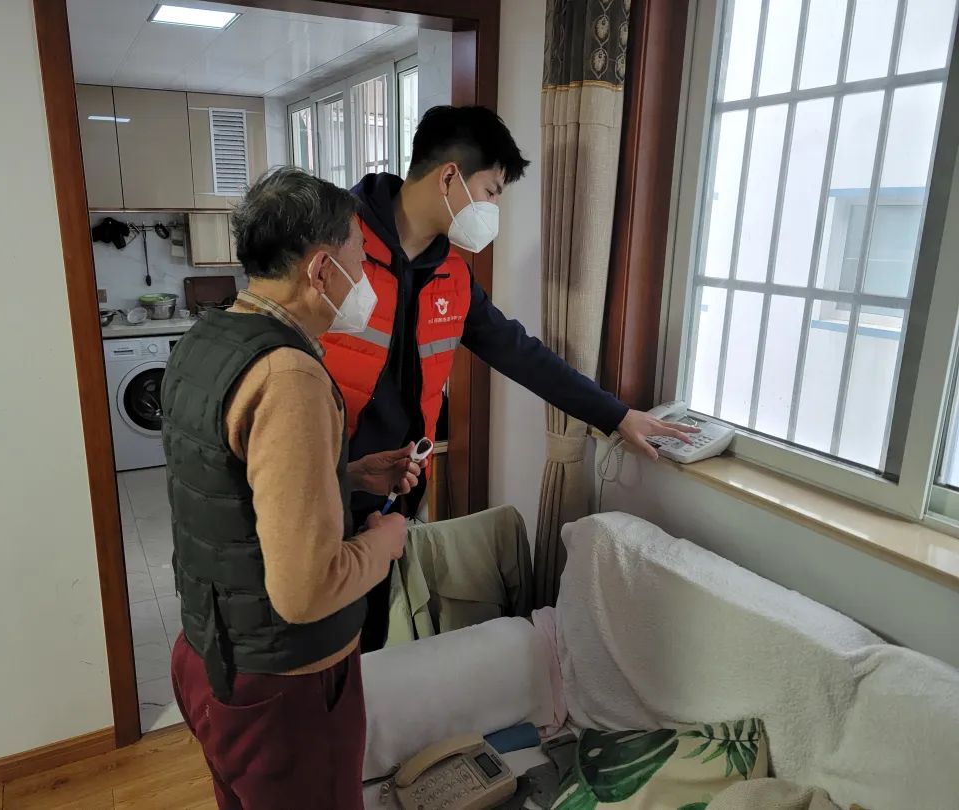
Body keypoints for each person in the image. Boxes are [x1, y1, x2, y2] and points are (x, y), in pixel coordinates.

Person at [320, 105, 697, 652]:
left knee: (369, 646)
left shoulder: (450, 274)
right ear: (449, 177)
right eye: (492, 192)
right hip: (322, 484)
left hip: (391, 492)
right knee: (314, 643)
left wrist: (615, 415)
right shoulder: (334, 244)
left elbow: (519, 352)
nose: (493, 209)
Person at [163, 168, 414, 809]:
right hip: (283, 686)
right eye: (362, 261)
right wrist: (386, 541)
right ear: (321, 270)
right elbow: (307, 590)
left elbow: (231, 482)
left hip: (208, 654)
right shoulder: (289, 376)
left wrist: (346, 474)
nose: (367, 280)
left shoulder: (208, 339)